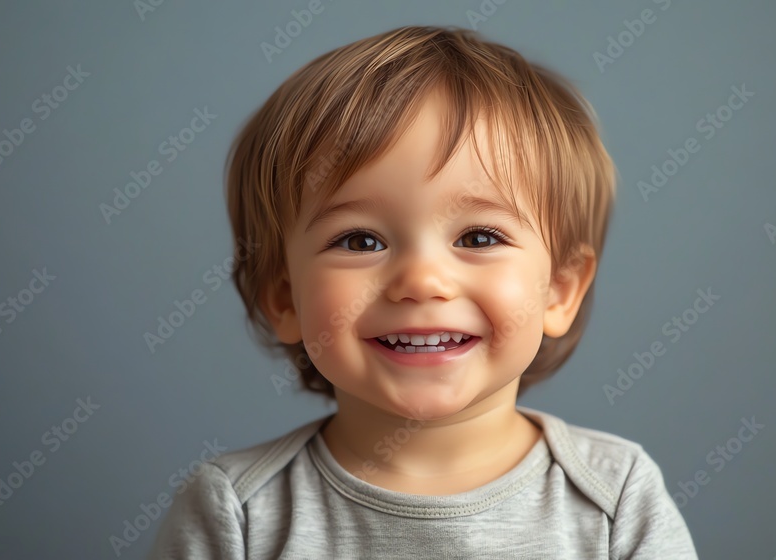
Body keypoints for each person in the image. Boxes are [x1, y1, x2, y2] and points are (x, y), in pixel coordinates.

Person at [148, 25, 698, 559]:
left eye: (479, 237)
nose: (421, 281)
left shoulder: (615, 497)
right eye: (360, 240)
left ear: (559, 290)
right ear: (284, 299)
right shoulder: (237, 510)